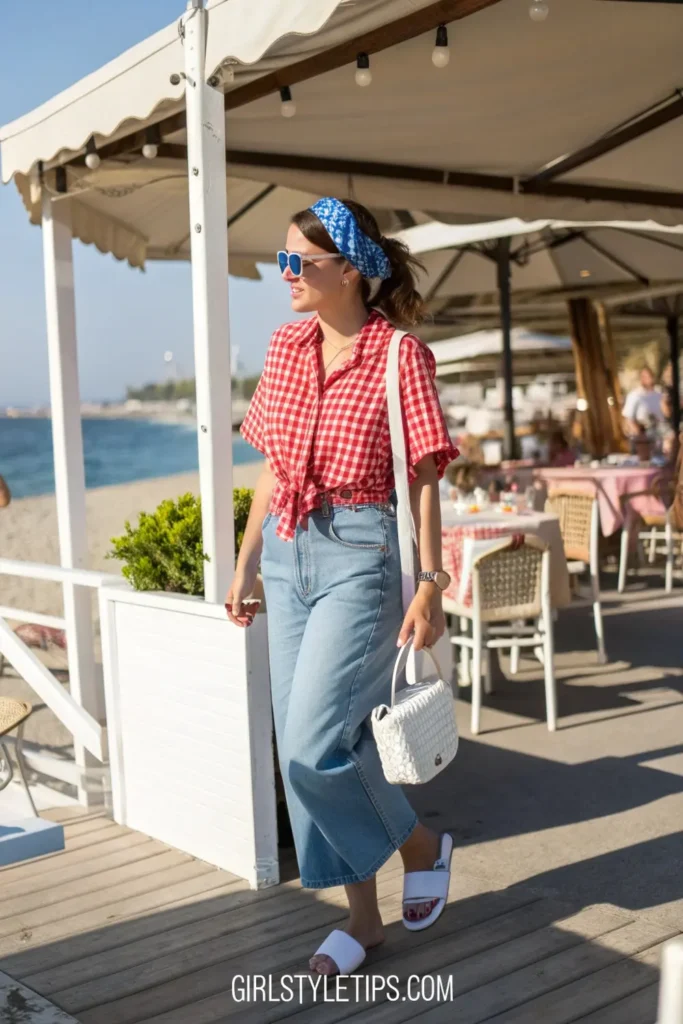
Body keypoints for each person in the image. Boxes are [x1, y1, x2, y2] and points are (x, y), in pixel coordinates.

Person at [226, 197, 460, 977]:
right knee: (329, 744)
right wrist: (247, 558)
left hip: (360, 551)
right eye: (284, 260)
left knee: (311, 748)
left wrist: (429, 581)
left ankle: (420, 846)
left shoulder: (400, 357)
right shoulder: (287, 346)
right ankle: (363, 922)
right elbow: (269, 465)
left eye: (301, 262)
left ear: (351, 270)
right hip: (289, 554)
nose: (286, 275)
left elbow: (423, 478)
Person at [622, 366, 666, 437]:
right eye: (643, 377)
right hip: (643, 433)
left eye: (648, 376)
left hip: (661, 431)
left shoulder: (659, 393)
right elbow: (629, 418)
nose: (646, 379)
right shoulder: (634, 395)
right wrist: (639, 434)